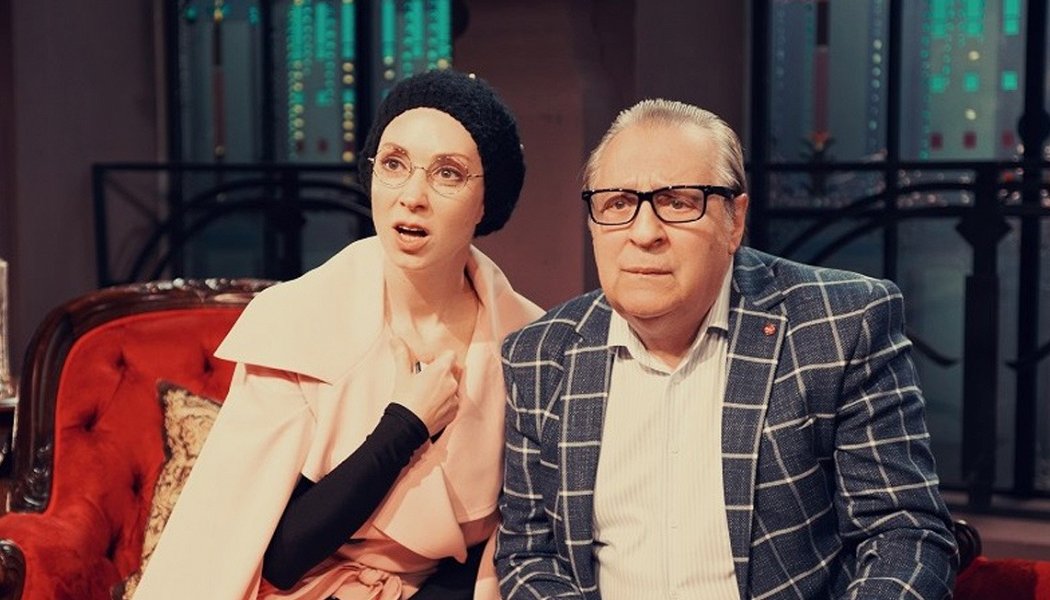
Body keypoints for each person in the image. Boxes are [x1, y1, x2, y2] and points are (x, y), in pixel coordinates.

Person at [495, 99, 958, 599]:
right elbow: (529, 552)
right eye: (618, 204)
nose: (644, 233)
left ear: (734, 221)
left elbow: (906, 534)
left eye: (677, 202)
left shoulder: (839, 325)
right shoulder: (539, 355)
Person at [134, 69, 542, 600]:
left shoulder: (530, 343)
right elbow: (279, 557)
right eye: (393, 164)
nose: (412, 196)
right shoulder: (297, 320)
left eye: (448, 173)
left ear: (488, 200)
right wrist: (404, 425)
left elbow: (517, 538)